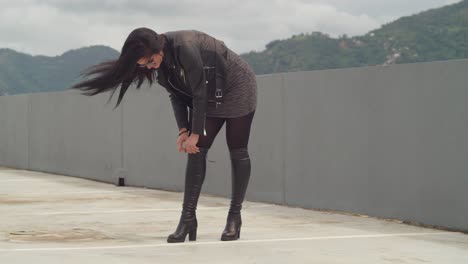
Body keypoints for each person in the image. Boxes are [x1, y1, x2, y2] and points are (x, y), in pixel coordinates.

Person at [71, 27, 257, 243]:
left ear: (157, 49)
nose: (150, 67)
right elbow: (176, 96)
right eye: (145, 65)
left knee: (237, 149)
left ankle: (234, 217)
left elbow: (198, 92)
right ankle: (188, 219)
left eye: (150, 62)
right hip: (209, 93)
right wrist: (183, 131)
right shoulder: (160, 63)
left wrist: (195, 133)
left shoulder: (184, 47)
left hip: (236, 84)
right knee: (195, 150)